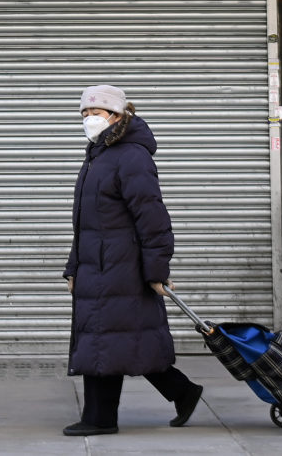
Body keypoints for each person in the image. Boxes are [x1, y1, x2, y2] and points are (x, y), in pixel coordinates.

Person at [62, 84, 203, 437]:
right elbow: (87, 223)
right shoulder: (99, 153)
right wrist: (73, 266)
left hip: (122, 267)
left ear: (118, 115)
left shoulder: (131, 156)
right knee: (118, 339)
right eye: (84, 113)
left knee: (107, 338)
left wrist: (157, 269)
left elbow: (152, 217)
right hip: (98, 265)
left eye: (96, 112)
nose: (89, 119)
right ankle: (182, 392)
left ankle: (100, 418)